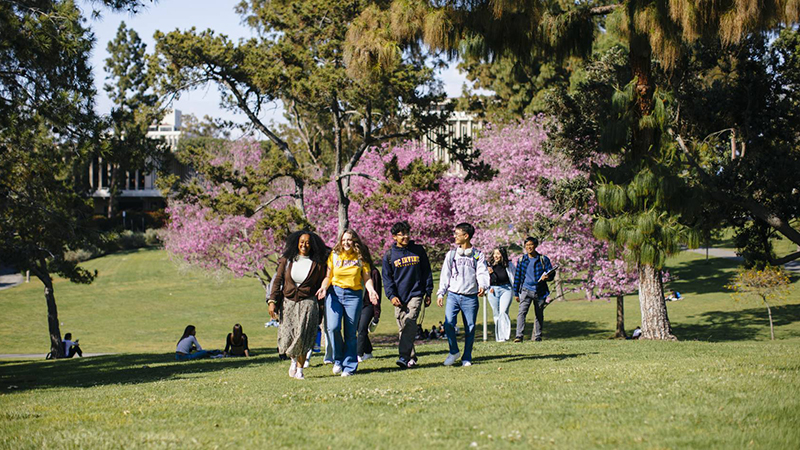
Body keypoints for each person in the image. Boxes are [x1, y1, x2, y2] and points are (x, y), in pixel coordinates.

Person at [318, 229, 380, 377]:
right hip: (335, 294)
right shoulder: (334, 254)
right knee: (333, 328)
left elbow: (367, 278)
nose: (346, 242)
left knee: (351, 333)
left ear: (354, 241)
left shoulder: (360, 257)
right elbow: (328, 276)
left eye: (349, 240)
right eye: (344, 239)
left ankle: (349, 366)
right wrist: (323, 287)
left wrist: (371, 290)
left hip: (354, 295)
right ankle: (338, 359)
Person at [269, 230, 329, 380]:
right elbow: (277, 281)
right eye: (302, 241)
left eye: (308, 242)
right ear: (296, 242)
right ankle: (293, 360)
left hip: (308, 302)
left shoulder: (318, 263)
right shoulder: (287, 260)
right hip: (288, 302)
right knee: (289, 334)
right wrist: (272, 301)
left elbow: (322, 283)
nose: (304, 245)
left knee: (303, 335)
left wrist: (321, 308)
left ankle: (300, 370)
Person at [382, 221, 434, 369]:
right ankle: (411, 358)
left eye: (407, 233)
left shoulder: (418, 250)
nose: (405, 236)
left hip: (416, 293)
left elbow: (427, 272)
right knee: (403, 328)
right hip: (399, 296)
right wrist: (391, 296)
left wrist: (428, 292)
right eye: (401, 234)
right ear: (394, 237)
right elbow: (387, 279)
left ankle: (403, 357)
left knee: (410, 321)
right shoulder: (389, 256)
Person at [437, 222, 490, 367]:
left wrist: (483, 286)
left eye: (457, 234)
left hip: (470, 297)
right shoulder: (452, 254)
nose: (454, 236)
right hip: (453, 295)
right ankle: (454, 351)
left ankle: (467, 357)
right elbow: (445, 274)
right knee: (448, 324)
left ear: (466, 236)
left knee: (470, 328)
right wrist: (441, 293)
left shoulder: (478, 255)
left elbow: (482, 272)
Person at [513, 237, 555, 343]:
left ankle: (538, 336)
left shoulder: (543, 259)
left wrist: (548, 277)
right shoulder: (522, 260)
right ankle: (519, 335)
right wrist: (516, 292)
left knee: (539, 313)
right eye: (527, 245)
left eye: (531, 245)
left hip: (539, 290)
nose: (529, 247)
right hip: (525, 290)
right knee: (522, 312)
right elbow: (517, 277)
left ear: (535, 246)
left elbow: (551, 272)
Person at [487, 247, 515, 342]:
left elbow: (514, 278)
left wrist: (517, 293)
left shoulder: (509, 265)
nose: (496, 256)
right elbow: (484, 278)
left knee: (503, 312)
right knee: (496, 313)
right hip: (493, 290)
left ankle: (504, 336)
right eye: (495, 254)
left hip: (506, 289)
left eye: (498, 254)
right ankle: (499, 337)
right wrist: (488, 287)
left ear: (502, 255)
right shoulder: (489, 266)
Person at [357, 265, 382, 362]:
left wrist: (376, 313)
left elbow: (377, 292)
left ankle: (358, 354)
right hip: (356, 303)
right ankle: (368, 352)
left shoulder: (374, 272)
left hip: (368, 304)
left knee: (362, 328)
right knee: (359, 328)